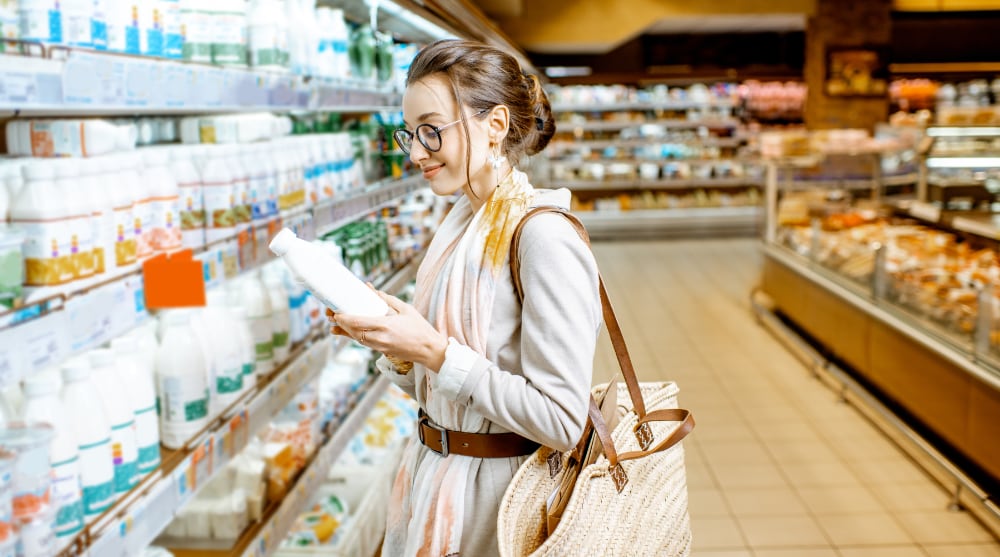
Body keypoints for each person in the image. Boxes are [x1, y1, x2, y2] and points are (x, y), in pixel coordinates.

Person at [327, 39, 602, 556]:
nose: (415, 152)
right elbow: (456, 395)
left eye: (432, 130)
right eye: (409, 133)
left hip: (500, 508)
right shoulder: (461, 222)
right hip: (436, 482)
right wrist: (397, 343)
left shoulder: (541, 235)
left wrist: (434, 350)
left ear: (495, 125)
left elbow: (563, 421)